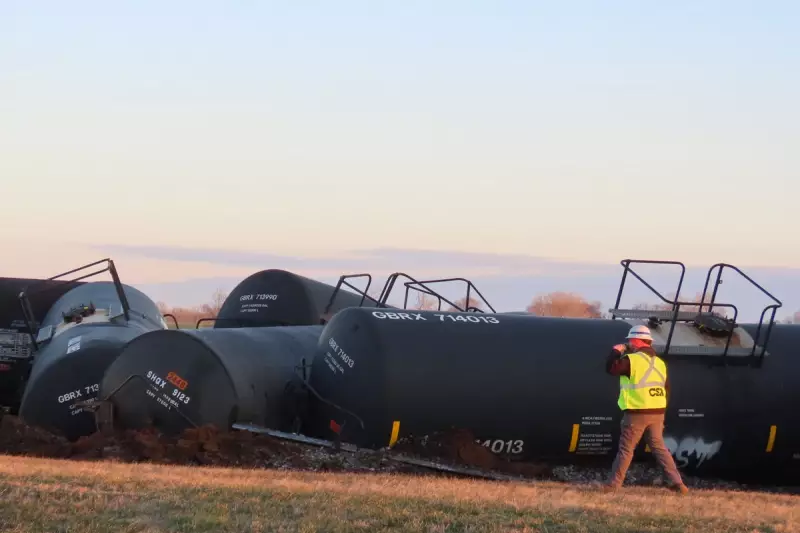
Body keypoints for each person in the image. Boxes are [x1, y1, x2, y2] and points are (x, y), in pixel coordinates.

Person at [604, 324, 689, 494]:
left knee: (626, 449)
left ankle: (613, 485)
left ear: (636, 340)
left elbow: (611, 368)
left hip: (637, 412)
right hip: (657, 412)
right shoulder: (659, 363)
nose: (629, 343)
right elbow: (666, 388)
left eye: (630, 341)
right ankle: (678, 483)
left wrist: (616, 351)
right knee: (659, 448)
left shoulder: (632, 360)